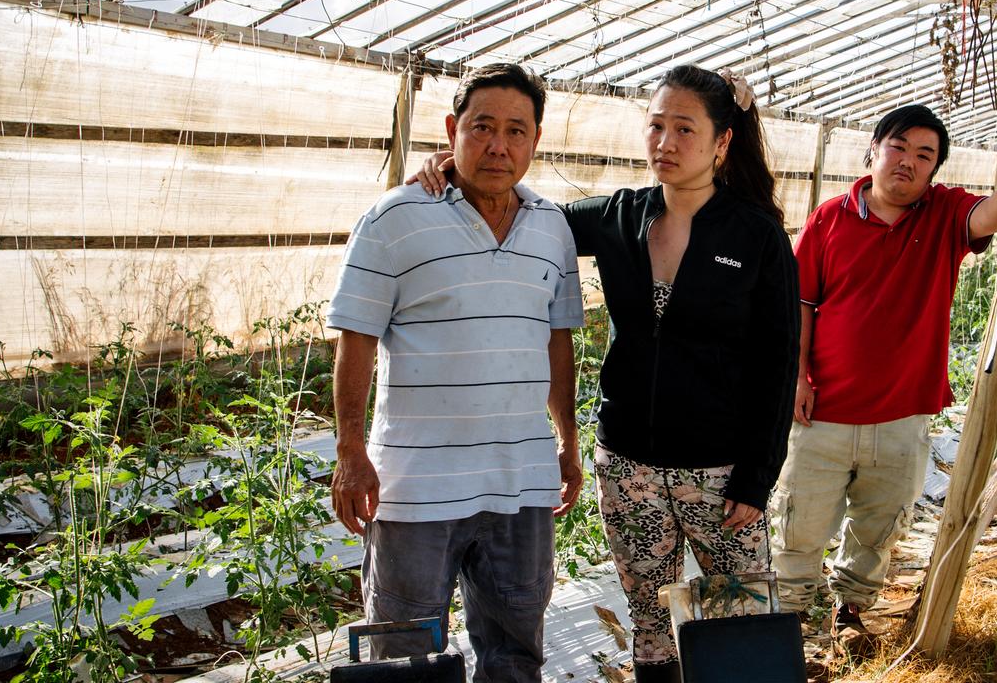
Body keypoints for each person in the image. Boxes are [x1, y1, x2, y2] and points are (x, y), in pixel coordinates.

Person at [413, 65, 799, 683]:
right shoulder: (617, 217)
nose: (666, 144)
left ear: (722, 142)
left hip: (721, 474)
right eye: (656, 126)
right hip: (628, 467)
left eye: (684, 129)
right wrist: (447, 167)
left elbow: (779, 363)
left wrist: (757, 475)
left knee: (737, 612)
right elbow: (522, 207)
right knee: (649, 620)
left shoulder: (755, 235)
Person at [327, 62, 585, 681]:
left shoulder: (552, 228)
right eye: (482, 127)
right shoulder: (393, 220)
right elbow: (355, 339)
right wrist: (351, 451)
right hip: (416, 488)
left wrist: (568, 444)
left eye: (516, 131)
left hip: (521, 484)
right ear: (452, 131)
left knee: (516, 647)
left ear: (535, 141)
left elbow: (557, 345)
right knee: (402, 652)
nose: (499, 145)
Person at [767, 104, 997, 634]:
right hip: (823, 412)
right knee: (797, 525)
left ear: (935, 169)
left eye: (924, 155)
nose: (907, 162)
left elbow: (992, 216)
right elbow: (799, 302)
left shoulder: (943, 213)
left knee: (878, 527)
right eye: (898, 147)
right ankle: (794, 629)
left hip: (902, 415)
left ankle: (851, 614)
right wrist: (797, 376)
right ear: (873, 149)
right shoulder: (829, 218)